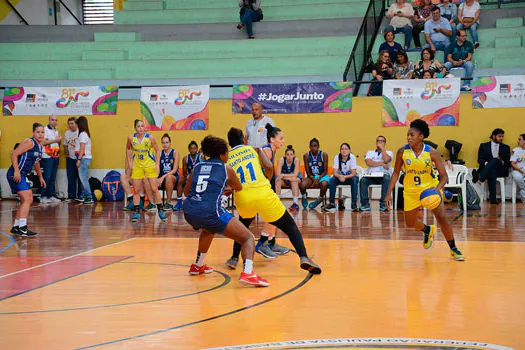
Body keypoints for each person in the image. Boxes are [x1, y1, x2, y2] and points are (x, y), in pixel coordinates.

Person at [224, 127, 321, 274]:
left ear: (229, 143)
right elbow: (269, 167)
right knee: (290, 227)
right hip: (262, 192)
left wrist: (229, 188)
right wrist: (267, 180)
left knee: (242, 229)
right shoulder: (253, 150)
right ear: (244, 139)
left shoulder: (227, 157)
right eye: (281, 138)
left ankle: (233, 258)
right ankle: (303, 257)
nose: (282, 141)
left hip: (244, 195)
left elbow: (227, 179)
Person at [183, 135, 269, 287]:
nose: (228, 156)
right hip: (210, 212)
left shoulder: (197, 167)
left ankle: (198, 265)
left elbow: (186, 192)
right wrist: (226, 188)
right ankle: (248, 273)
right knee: (247, 238)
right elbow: (238, 187)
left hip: (189, 211)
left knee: (208, 229)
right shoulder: (226, 168)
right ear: (222, 155)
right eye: (227, 153)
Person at [384, 119, 465, 261]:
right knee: (409, 223)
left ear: (421, 137)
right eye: (408, 135)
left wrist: (437, 189)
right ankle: (427, 230)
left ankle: (454, 249)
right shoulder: (402, 152)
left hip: (430, 188)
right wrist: (388, 193)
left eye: (412, 135)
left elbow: (444, 177)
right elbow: (396, 173)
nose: (408, 137)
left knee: (442, 218)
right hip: (411, 192)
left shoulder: (432, 153)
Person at [7, 123, 46, 237]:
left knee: (26, 200)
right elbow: (14, 154)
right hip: (16, 174)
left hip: (23, 174)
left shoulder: (39, 146)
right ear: (33, 133)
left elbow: (36, 162)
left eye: (42, 132)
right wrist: (16, 171)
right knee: (28, 198)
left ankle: (16, 227)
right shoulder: (30, 142)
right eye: (38, 132)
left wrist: (40, 177)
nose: (40, 134)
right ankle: (23, 228)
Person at [126, 119, 167, 222]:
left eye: (142, 126)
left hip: (149, 165)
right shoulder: (131, 138)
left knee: (154, 188)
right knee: (136, 190)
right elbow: (128, 149)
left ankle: (160, 211)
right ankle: (136, 212)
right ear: (135, 128)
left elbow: (158, 150)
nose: (140, 128)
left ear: (144, 128)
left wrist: (157, 164)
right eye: (138, 126)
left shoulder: (150, 138)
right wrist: (130, 161)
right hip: (138, 165)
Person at [472, 128, 511, 204]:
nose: (501, 138)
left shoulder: (506, 147)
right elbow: (480, 160)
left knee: (496, 160)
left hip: (501, 169)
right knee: (492, 171)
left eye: (502, 136)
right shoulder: (483, 146)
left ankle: (480, 175)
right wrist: (488, 164)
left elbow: (508, 162)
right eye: (500, 136)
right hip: (489, 170)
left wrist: (502, 161)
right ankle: (493, 199)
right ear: (493, 136)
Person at [359, 136, 394, 212]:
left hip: (383, 176)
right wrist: (382, 163)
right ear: (376, 142)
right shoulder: (370, 152)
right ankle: (365, 204)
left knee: (387, 178)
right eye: (378, 141)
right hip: (371, 175)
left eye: (382, 141)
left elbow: (386, 159)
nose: (380, 142)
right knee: (363, 180)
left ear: (385, 143)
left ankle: (383, 204)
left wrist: (382, 149)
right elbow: (369, 163)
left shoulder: (389, 152)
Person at [323, 143, 358, 213]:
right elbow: (335, 172)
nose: (344, 151)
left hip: (349, 177)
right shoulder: (337, 157)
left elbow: (353, 173)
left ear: (349, 150)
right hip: (340, 177)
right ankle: (332, 203)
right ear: (340, 151)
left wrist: (344, 177)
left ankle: (354, 203)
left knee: (354, 180)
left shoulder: (352, 157)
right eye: (342, 149)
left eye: (346, 149)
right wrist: (340, 176)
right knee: (332, 180)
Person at [299, 138, 330, 210]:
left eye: (315, 146)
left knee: (324, 184)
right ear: (309, 147)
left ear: (318, 146)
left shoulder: (324, 155)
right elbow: (308, 171)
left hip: (322, 176)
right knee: (302, 185)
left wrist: (318, 179)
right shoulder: (306, 155)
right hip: (311, 176)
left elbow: (325, 171)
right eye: (311, 146)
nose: (313, 148)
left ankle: (319, 199)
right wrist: (313, 179)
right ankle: (304, 196)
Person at [175, 140, 203, 211]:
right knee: (180, 181)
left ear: (197, 149)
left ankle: (199, 203)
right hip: (189, 177)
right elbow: (184, 172)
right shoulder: (185, 159)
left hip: (199, 177)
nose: (193, 150)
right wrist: (188, 177)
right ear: (189, 149)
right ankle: (179, 203)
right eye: (191, 148)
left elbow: (203, 169)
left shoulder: (201, 157)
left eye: (194, 148)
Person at [40, 115, 61, 203]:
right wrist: (55, 140)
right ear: (49, 120)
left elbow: (57, 143)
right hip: (47, 157)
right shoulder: (44, 130)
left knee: (53, 177)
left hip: (55, 156)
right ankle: (43, 196)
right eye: (52, 120)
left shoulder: (56, 131)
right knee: (47, 177)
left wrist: (57, 142)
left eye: (56, 120)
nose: (54, 121)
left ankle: (51, 195)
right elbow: (43, 142)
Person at [275, 145, 301, 212]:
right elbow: (278, 174)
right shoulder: (281, 160)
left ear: (294, 155)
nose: (289, 156)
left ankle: (295, 204)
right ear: (285, 155)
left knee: (294, 181)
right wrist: (288, 177)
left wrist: (283, 175)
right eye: (287, 155)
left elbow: (295, 174)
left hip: (293, 179)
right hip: (284, 180)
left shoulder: (296, 160)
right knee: (277, 180)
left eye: (291, 154)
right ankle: (277, 203)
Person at [158, 133, 180, 211]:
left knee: (169, 177)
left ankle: (169, 203)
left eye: (167, 142)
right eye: (163, 142)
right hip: (161, 177)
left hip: (173, 177)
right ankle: (152, 204)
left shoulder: (175, 153)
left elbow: (174, 170)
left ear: (170, 143)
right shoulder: (159, 153)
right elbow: (157, 168)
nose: (165, 144)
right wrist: (155, 178)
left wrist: (162, 177)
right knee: (148, 178)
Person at [76, 117, 94, 205]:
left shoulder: (83, 134)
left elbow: (82, 149)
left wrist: (79, 159)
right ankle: (83, 195)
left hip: (84, 158)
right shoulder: (85, 134)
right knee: (83, 177)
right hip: (86, 158)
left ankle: (89, 196)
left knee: (83, 178)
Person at [63, 117, 81, 201]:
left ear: (76, 124)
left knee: (80, 177)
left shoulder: (81, 133)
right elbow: (65, 144)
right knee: (70, 178)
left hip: (80, 158)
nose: (70, 125)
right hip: (70, 158)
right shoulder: (67, 133)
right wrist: (67, 154)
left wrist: (80, 158)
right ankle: (71, 196)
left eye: (72, 123)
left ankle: (81, 195)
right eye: (69, 124)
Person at [511, 133, 525, 203]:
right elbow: (512, 163)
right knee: (519, 177)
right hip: (517, 170)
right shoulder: (515, 150)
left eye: (520, 139)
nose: (518, 141)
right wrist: (520, 170)